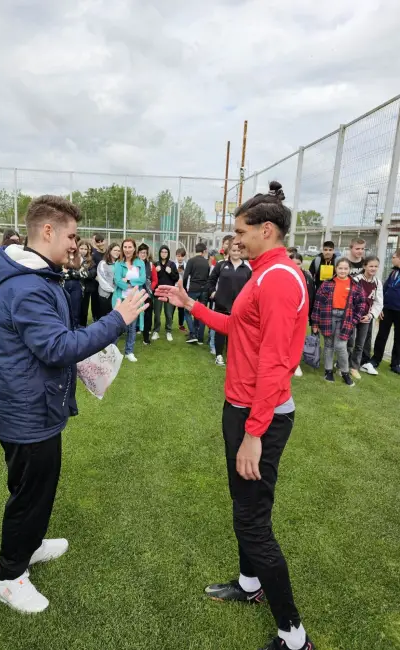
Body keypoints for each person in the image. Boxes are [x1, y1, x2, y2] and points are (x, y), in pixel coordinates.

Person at [157, 181, 316, 650]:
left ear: (267, 230)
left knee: (253, 522)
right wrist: (191, 305)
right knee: (243, 508)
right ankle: (251, 585)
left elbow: (275, 364)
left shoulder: (281, 278)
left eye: (240, 231)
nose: (234, 240)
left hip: (257, 416)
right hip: (242, 409)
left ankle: (294, 635)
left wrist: (254, 433)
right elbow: (236, 327)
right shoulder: (262, 273)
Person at [0, 195, 147, 613]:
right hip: (27, 411)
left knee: (34, 488)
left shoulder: (41, 277)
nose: (75, 244)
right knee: (29, 494)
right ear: (48, 231)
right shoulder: (25, 286)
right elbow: (56, 347)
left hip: (33, 404)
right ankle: (8, 576)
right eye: (71, 236)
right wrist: (117, 320)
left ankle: (29, 545)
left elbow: (57, 338)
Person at [311, 258, 367, 387]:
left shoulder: (355, 285)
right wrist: (315, 323)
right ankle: (328, 371)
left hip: (345, 318)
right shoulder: (327, 284)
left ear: (349, 270)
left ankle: (345, 372)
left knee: (341, 346)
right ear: (336, 269)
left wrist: (354, 320)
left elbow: (362, 304)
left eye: (345, 268)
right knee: (329, 345)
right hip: (328, 316)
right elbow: (317, 304)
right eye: (340, 268)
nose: (343, 271)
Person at [207, 242, 251, 367]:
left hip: (239, 307)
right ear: (229, 251)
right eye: (233, 250)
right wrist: (213, 293)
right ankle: (219, 356)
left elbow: (250, 288)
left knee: (235, 334)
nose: (236, 253)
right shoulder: (221, 265)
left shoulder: (247, 269)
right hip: (221, 305)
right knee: (220, 332)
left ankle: (232, 357)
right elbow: (211, 281)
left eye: (238, 251)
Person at [349, 256, 383, 379]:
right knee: (349, 341)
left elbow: (379, 302)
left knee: (360, 344)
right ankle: (343, 364)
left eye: (375, 266)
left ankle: (354, 367)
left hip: (366, 318)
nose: (373, 268)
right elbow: (350, 299)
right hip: (353, 316)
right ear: (364, 266)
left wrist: (371, 315)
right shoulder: (356, 279)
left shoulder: (378, 282)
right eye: (371, 266)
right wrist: (353, 314)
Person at [113, 238, 146, 362]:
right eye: (125, 247)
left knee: (132, 327)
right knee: (117, 326)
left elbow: (142, 279)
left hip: (135, 299)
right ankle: (113, 352)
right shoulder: (118, 263)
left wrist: (129, 281)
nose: (127, 250)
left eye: (129, 247)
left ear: (134, 248)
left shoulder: (140, 263)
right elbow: (117, 280)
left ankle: (129, 352)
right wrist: (127, 285)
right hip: (121, 299)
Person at [370, 249, 400, 375]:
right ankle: (376, 359)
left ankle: (396, 363)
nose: (392, 259)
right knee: (382, 335)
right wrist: (380, 307)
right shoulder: (393, 272)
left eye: (394, 257)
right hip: (387, 309)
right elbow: (384, 289)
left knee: (399, 338)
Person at [288, 252, 316, 377]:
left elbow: (311, 296)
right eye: (293, 263)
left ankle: (295, 363)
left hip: (301, 314)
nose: (296, 266)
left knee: (297, 339)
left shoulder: (307, 277)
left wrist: (310, 316)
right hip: (286, 314)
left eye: (298, 264)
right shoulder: (283, 276)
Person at [183, 243, 209, 344]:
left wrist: (184, 288)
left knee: (187, 311)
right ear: (204, 251)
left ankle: (193, 333)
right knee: (202, 312)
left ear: (196, 250)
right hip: (204, 289)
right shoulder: (206, 263)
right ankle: (200, 337)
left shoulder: (191, 261)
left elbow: (185, 276)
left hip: (193, 288)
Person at [152, 245, 179, 342]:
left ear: (168, 253)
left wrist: (170, 272)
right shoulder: (155, 264)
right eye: (162, 252)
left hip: (169, 292)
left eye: (165, 252)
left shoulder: (172, 264)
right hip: (158, 291)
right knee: (157, 313)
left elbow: (176, 278)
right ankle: (156, 331)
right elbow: (152, 279)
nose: (164, 254)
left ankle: (168, 331)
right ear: (159, 253)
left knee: (168, 313)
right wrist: (157, 271)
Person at [137, 243, 158, 345]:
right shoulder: (134, 263)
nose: (143, 254)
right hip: (136, 292)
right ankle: (134, 330)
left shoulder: (150, 265)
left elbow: (155, 280)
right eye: (141, 252)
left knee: (148, 314)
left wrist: (150, 288)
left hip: (147, 293)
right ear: (138, 253)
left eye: (145, 252)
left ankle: (146, 336)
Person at [77, 240, 98, 327]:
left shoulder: (91, 261)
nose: (83, 250)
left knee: (84, 309)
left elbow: (92, 274)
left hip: (86, 289)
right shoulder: (73, 260)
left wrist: (78, 273)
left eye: (85, 249)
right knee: (75, 308)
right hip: (74, 288)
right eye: (81, 248)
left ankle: (82, 325)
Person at [97, 243, 121, 318]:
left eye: (119, 250)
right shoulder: (103, 263)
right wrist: (113, 290)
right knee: (105, 317)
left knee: (114, 316)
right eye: (115, 250)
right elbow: (101, 280)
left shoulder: (119, 264)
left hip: (116, 294)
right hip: (105, 295)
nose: (117, 252)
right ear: (110, 251)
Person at [90, 233, 106, 321]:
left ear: (105, 241)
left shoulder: (107, 253)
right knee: (95, 301)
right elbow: (93, 268)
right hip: (96, 282)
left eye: (101, 241)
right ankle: (95, 318)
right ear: (95, 243)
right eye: (98, 242)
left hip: (106, 282)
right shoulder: (94, 254)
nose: (100, 243)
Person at [175, 248, 187, 331]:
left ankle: (181, 324)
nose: (180, 258)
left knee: (181, 307)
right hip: (174, 287)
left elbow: (187, 277)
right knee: (171, 307)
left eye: (182, 256)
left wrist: (182, 272)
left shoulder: (187, 265)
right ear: (176, 256)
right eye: (178, 256)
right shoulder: (172, 264)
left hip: (183, 288)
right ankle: (169, 324)